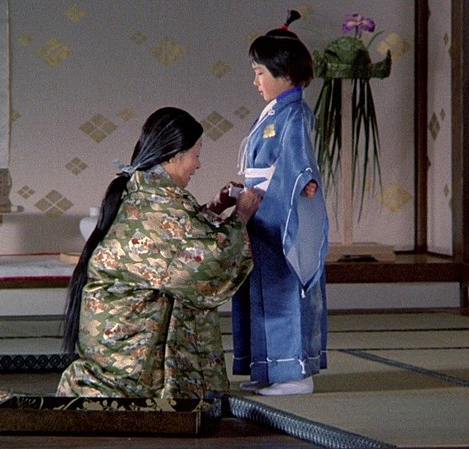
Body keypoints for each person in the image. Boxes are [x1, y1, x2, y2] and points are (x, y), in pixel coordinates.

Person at [58, 107, 261, 399]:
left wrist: (215, 208)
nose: (198, 164)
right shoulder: (159, 202)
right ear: (174, 156)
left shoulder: (145, 192)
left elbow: (179, 242)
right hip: (128, 361)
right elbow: (205, 262)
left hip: (112, 343)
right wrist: (241, 216)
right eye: (196, 155)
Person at [231, 10, 329, 396]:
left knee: (283, 289)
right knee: (260, 289)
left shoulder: (294, 114)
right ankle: (269, 367)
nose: (255, 81)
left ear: (283, 72)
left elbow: (298, 162)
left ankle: (295, 374)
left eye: (260, 73)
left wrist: (304, 183)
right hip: (263, 212)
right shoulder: (275, 112)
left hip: (279, 210)